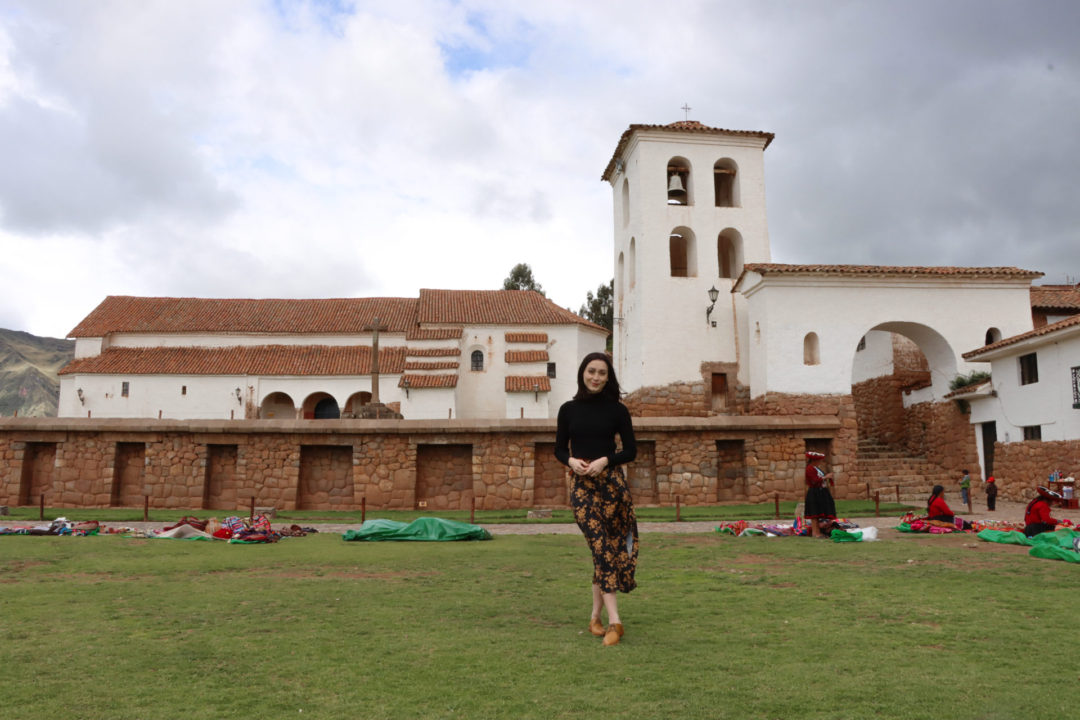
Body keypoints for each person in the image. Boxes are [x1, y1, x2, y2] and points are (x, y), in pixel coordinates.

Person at [555, 352, 638, 647]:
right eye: (591, 371)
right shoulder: (567, 409)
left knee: (605, 549)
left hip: (612, 486)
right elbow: (558, 449)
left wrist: (606, 460)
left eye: (602, 373)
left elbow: (631, 451)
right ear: (582, 373)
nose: (596, 377)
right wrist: (571, 462)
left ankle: (595, 617)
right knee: (600, 545)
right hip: (581, 486)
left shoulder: (618, 411)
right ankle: (616, 621)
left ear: (608, 377)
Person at [804, 451, 836, 538]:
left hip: (820, 492)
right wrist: (826, 477)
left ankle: (818, 532)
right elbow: (814, 480)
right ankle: (815, 533)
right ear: (814, 460)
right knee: (814, 514)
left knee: (818, 513)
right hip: (815, 492)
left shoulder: (816, 468)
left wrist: (827, 477)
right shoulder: (809, 469)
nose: (820, 462)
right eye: (819, 460)